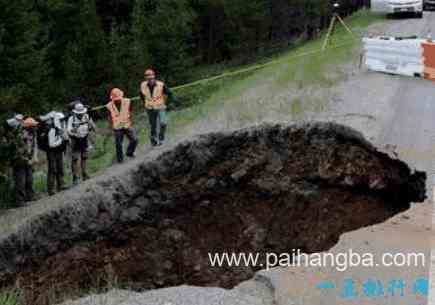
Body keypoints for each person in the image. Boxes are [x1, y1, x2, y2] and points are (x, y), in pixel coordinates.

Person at [140, 69, 176, 146]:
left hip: (160, 107)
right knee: (153, 125)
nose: (150, 79)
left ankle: (161, 138)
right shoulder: (143, 85)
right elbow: (142, 95)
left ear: (154, 76)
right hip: (149, 108)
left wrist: (168, 103)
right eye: (148, 78)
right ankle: (153, 140)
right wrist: (145, 104)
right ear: (146, 78)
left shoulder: (161, 85)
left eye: (151, 77)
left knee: (163, 123)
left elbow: (170, 93)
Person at [7, 116, 38, 204]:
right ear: (29, 127)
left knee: (29, 178)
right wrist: (27, 159)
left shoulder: (33, 134)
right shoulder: (20, 135)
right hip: (18, 160)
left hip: (27, 159)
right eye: (33, 126)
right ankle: (19, 200)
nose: (35, 127)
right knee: (20, 180)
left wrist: (33, 158)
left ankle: (30, 196)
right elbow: (18, 151)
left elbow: (34, 147)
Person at [106, 88, 138, 163]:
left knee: (135, 139)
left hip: (127, 124)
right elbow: (109, 117)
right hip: (117, 127)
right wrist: (110, 126)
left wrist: (132, 120)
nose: (117, 100)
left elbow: (130, 111)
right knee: (119, 144)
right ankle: (120, 159)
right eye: (116, 99)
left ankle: (129, 152)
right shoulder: (109, 106)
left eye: (118, 98)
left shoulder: (127, 101)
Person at [67, 103, 95, 184]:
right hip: (75, 139)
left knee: (84, 157)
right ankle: (75, 177)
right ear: (75, 113)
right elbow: (69, 131)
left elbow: (93, 128)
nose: (80, 115)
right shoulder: (71, 119)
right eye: (79, 113)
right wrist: (74, 129)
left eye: (81, 113)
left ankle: (84, 174)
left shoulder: (86, 116)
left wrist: (90, 124)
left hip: (84, 137)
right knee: (75, 159)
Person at [41, 112, 68, 196]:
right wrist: (61, 141)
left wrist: (63, 138)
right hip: (51, 151)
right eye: (61, 120)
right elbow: (51, 144)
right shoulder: (52, 130)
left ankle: (61, 185)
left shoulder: (60, 128)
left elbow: (64, 137)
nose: (62, 121)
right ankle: (51, 189)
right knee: (52, 169)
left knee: (60, 167)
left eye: (63, 119)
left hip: (58, 150)